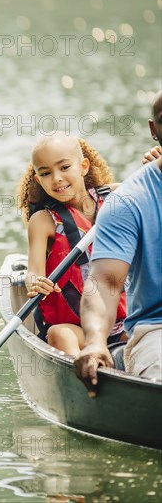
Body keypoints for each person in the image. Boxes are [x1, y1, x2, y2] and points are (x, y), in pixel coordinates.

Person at [75, 90, 162, 394]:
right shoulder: (128, 201)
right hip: (157, 332)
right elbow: (105, 284)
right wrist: (96, 341)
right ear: (155, 130)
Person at [18, 132, 127, 356]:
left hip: (127, 321)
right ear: (38, 179)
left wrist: (156, 162)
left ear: (84, 166)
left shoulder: (119, 196)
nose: (56, 178)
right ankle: (86, 377)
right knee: (58, 334)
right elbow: (33, 272)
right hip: (79, 329)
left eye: (64, 167)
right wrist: (36, 283)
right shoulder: (43, 221)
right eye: (46, 173)